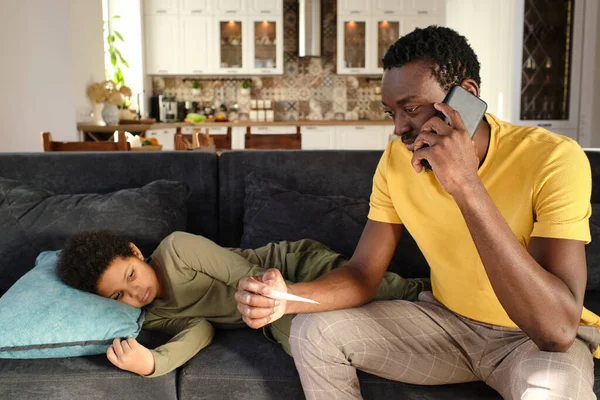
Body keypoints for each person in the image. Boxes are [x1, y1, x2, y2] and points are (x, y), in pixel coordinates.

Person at [235, 26, 600, 400]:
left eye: (410, 108)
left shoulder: (553, 158)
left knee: (553, 393)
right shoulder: (395, 162)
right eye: (391, 112)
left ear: (466, 96)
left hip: (530, 343)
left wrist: (466, 186)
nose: (399, 129)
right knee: (312, 331)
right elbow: (363, 274)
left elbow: (555, 332)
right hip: (448, 326)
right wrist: (287, 298)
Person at [56, 230, 430, 377]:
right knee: (308, 339)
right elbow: (199, 329)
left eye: (131, 276)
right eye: (118, 296)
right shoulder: (153, 314)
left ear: (136, 253)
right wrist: (154, 362)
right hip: (267, 316)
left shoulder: (176, 250)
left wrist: (272, 299)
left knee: (387, 291)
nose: (134, 295)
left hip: (288, 270)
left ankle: (430, 293)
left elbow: (246, 273)